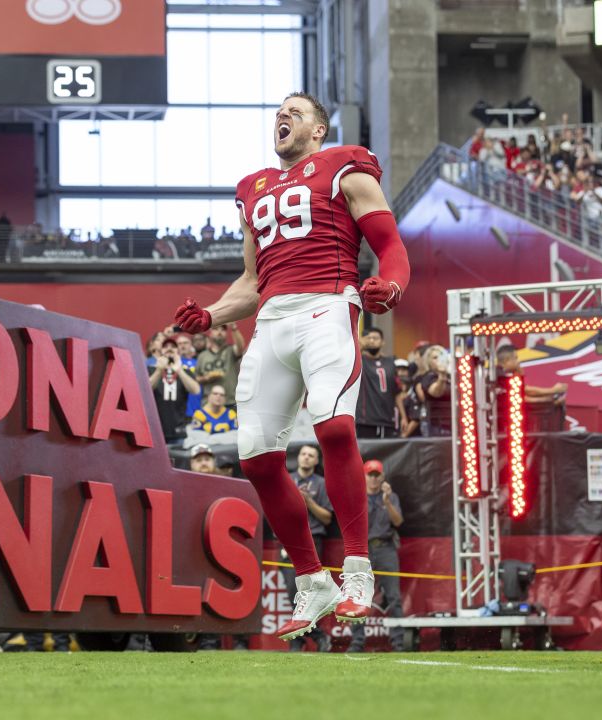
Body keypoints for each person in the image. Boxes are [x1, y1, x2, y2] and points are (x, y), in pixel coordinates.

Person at [172, 91, 411, 641]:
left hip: (327, 306)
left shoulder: (344, 168)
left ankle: (356, 573)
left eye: (295, 112)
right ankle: (312, 580)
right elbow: (252, 283)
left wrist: (391, 285)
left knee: (332, 425)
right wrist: (210, 314)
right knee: (256, 458)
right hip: (272, 321)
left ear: (320, 130)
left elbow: (391, 245)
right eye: (277, 112)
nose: (282, 117)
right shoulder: (254, 190)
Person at [280, 445, 335, 652]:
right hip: (287, 543)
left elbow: (327, 518)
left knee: (309, 595)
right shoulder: (286, 480)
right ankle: (314, 636)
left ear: (316, 461)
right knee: (292, 592)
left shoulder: (322, 484)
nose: (305, 457)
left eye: (311, 455)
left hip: (312, 542)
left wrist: (308, 501)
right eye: (303, 454)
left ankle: (300, 639)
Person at [347, 460, 404, 653]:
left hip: (385, 547)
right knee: (357, 596)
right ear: (363, 477)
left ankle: (398, 643)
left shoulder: (390, 496)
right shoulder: (356, 497)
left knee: (394, 597)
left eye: (376, 475)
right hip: (361, 550)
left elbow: (398, 522)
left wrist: (387, 501)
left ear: (382, 477)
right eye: (370, 475)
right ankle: (357, 641)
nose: (373, 478)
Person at [149, 337, 200, 445]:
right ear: (160, 351)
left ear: (178, 351)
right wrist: (159, 370)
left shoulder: (185, 371)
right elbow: (146, 390)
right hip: (155, 429)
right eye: (166, 347)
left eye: (173, 347)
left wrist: (179, 370)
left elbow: (195, 390)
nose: (169, 349)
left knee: (178, 461)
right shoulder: (151, 370)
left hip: (178, 429)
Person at [355, 327, 399, 438]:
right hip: (366, 420)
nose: (372, 340)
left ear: (383, 341)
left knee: (389, 454)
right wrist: (360, 346)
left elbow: (398, 392)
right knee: (366, 454)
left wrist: (404, 417)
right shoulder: (359, 360)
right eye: (368, 338)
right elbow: (349, 359)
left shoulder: (391, 362)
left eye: (375, 338)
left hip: (388, 419)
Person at [194, 324, 246, 406]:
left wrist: (233, 328)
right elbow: (197, 378)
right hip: (208, 404)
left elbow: (240, 347)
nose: (219, 332)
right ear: (210, 333)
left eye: (223, 329)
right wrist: (207, 378)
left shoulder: (231, 350)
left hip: (230, 402)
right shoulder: (202, 356)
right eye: (216, 329)